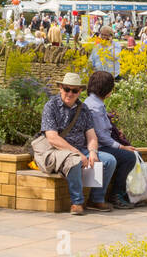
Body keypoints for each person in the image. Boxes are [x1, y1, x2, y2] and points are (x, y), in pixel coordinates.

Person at [30, 72, 117, 215]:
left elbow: (92, 136)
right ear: (60, 88)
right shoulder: (51, 106)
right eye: (66, 89)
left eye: (74, 90)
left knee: (109, 160)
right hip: (55, 150)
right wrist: (77, 153)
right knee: (75, 161)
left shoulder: (83, 109)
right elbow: (52, 138)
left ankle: (96, 199)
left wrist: (93, 152)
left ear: (80, 91)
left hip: (79, 150)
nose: (70, 93)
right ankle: (77, 202)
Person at [84, 70, 139, 208]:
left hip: (100, 144)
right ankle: (116, 195)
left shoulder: (94, 102)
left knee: (127, 155)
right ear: (106, 88)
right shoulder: (94, 107)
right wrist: (120, 146)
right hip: (98, 146)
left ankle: (126, 194)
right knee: (128, 157)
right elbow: (100, 136)